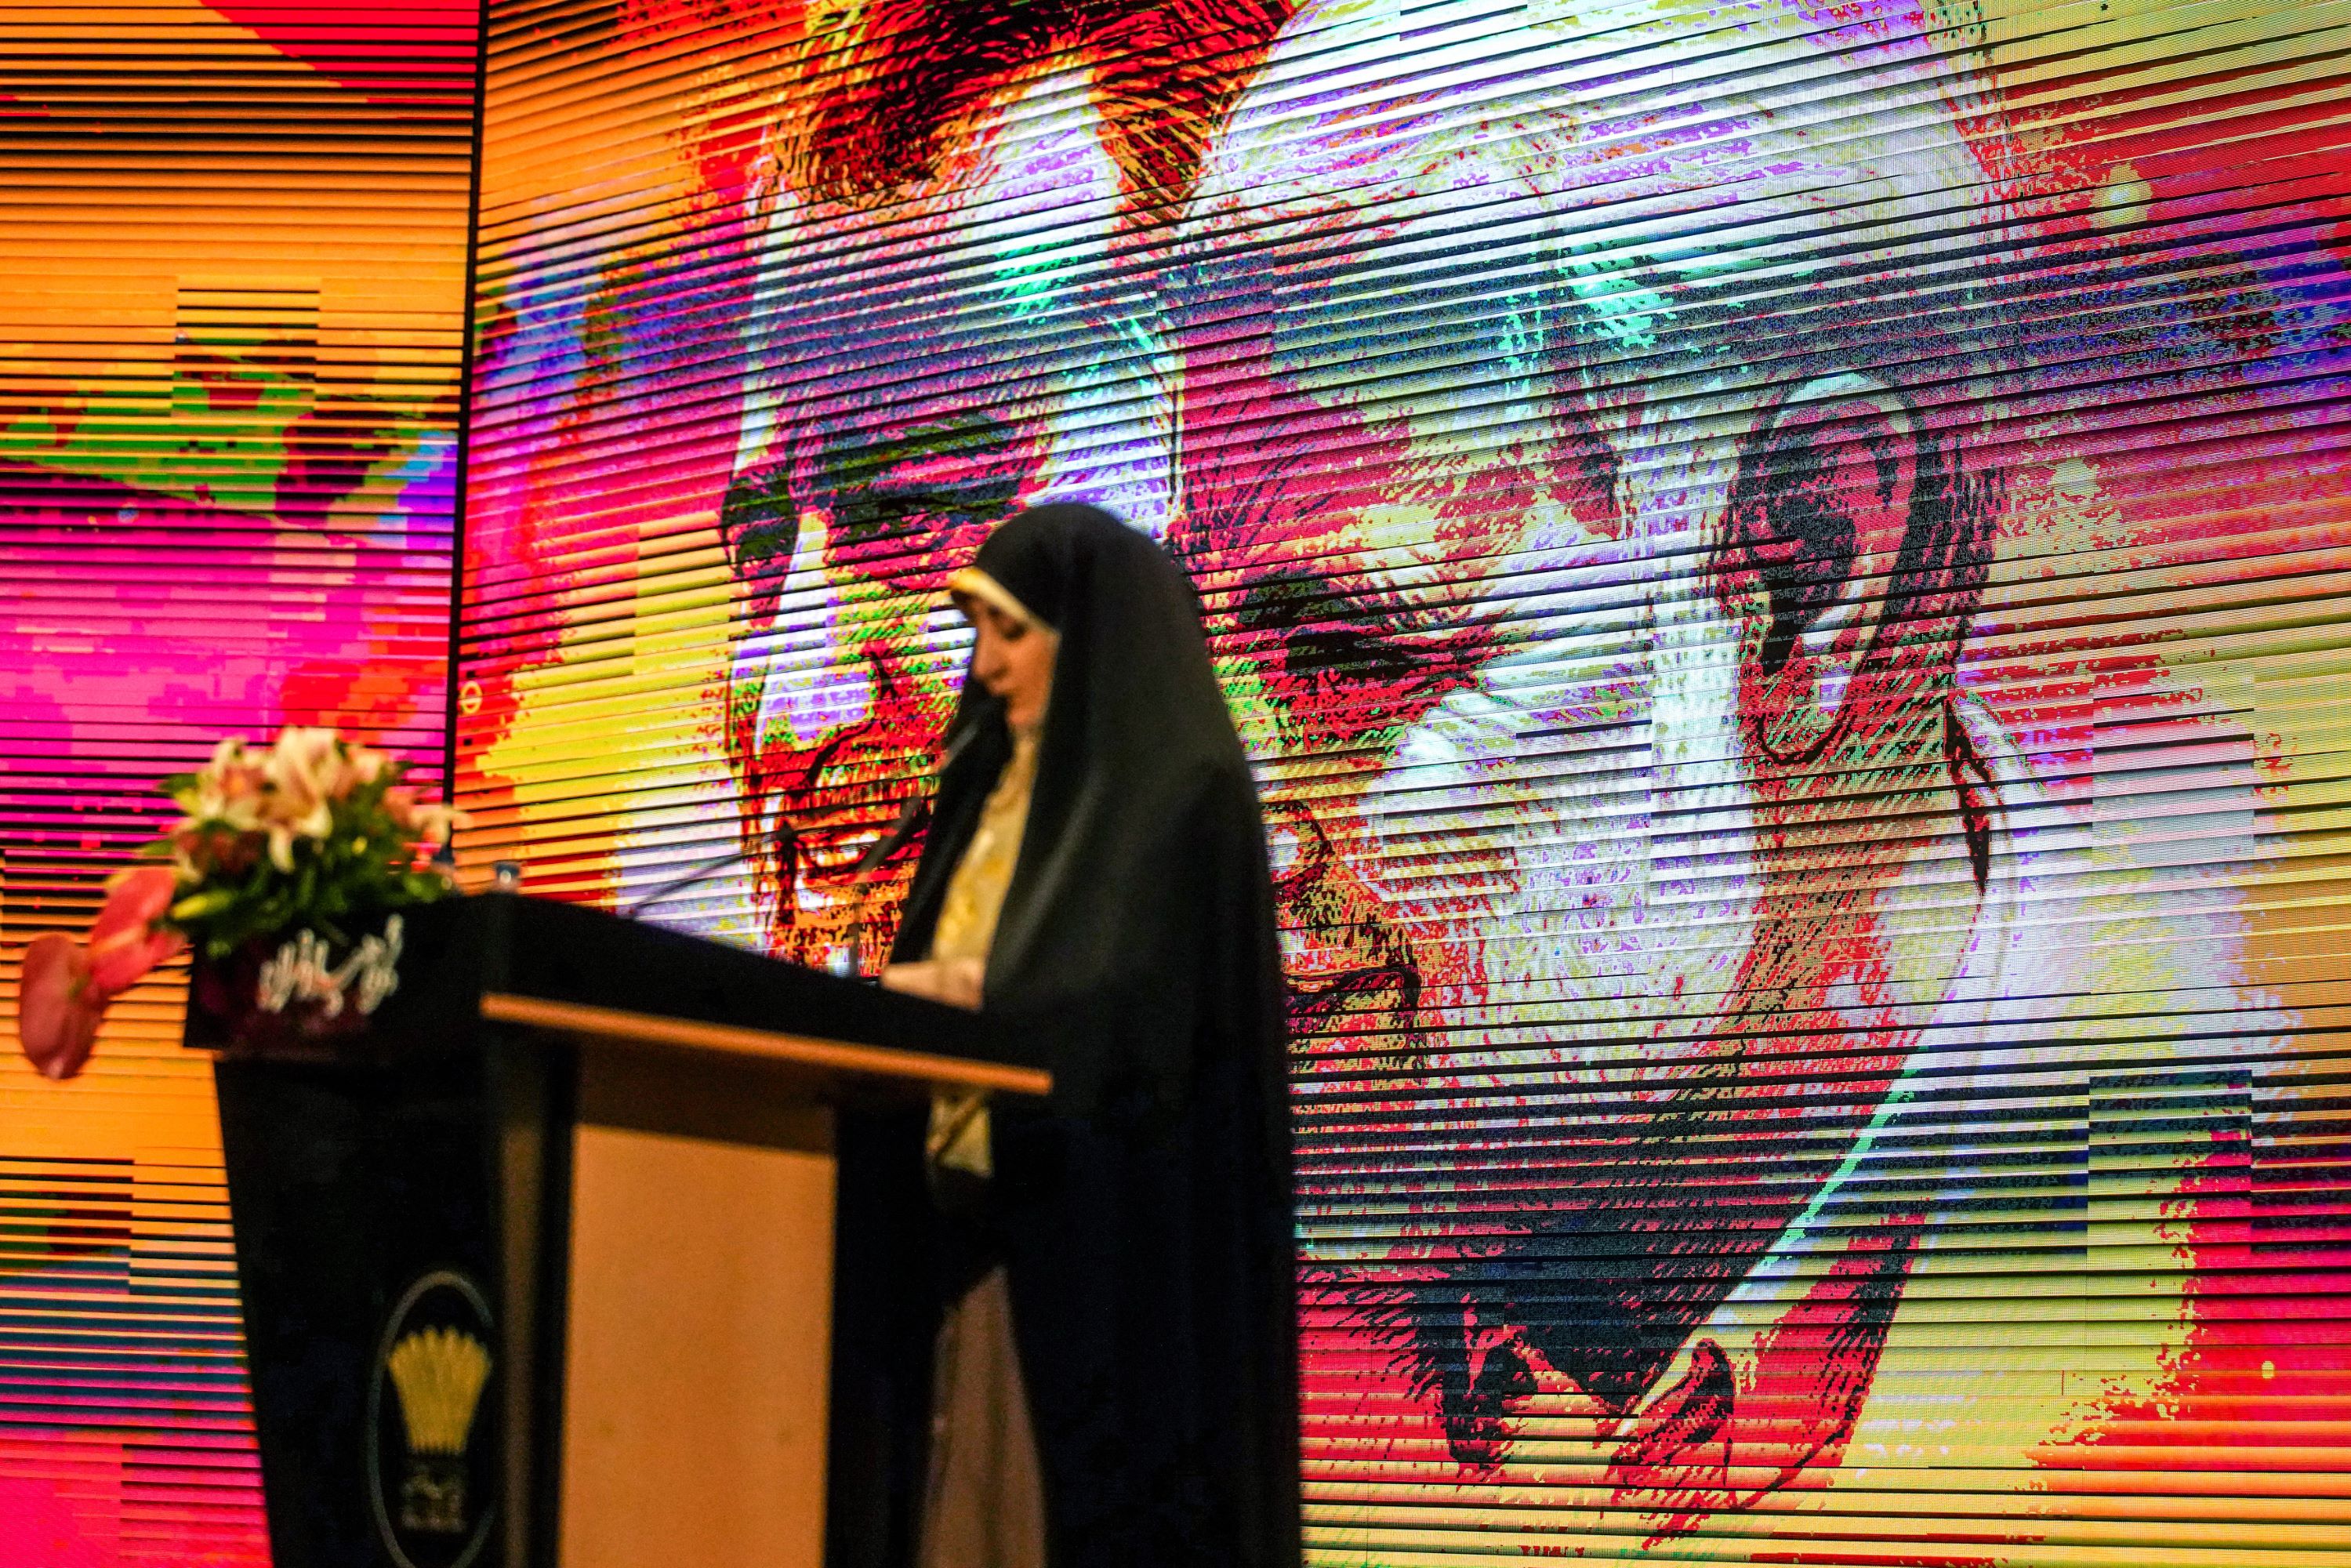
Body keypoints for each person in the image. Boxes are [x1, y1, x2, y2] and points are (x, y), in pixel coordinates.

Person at [829, 503, 1301, 1568]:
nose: (986, 666)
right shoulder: (985, 789)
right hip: (957, 1239)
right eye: (978, 633)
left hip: (1112, 1258)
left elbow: (1138, 1021)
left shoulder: (1180, 796)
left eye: (1012, 631)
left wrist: (971, 994)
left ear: (1085, 634)